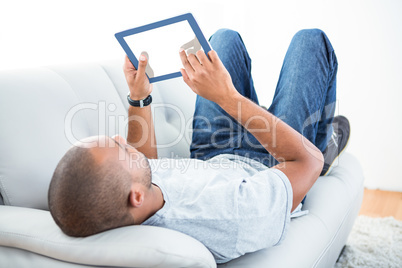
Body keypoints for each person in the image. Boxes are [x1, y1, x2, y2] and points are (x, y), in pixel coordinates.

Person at [48, 28, 350, 264]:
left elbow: (147, 165)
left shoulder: (137, 196)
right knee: (310, 43)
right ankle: (324, 143)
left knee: (222, 41)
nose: (120, 139)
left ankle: (292, 122)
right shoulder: (228, 216)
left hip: (211, 155)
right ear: (135, 196)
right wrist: (226, 98)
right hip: (272, 164)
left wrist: (139, 95)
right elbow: (305, 162)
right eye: (121, 149)